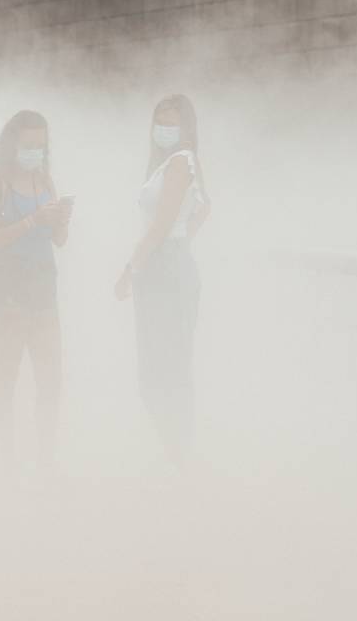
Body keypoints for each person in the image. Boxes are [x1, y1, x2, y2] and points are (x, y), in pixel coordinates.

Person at [115, 95, 210, 467]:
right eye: (160, 122)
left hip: (165, 266)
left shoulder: (182, 160)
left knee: (168, 367)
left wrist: (130, 269)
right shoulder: (167, 165)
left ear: (185, 128)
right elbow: (204, 207)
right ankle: (176, 450)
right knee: (156, 369)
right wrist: (181, 240)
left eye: (172, 123)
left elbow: (162, 223)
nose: (164, 130)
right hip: (166, 263)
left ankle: (179, 453)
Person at [0, 111, 71, 483]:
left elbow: (58, 241)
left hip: (44, 295)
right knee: (6, 380)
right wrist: (33, 220)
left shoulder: (44, 178)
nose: (35, 151)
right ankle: (7, 461)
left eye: (41, 146)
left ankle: (45, 459)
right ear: (12, 143)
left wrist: (61, 221)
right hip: (7, 298)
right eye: (28, 145)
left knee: (51, 381)